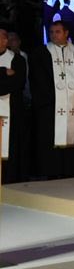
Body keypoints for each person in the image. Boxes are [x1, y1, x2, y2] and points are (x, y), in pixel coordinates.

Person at [31, 19, 74, 179]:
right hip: (50, 107)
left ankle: (73, 171)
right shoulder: (41, 53)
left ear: (66, 33)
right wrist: (55, 97)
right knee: (50, 138)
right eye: (51, 32)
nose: (53, 35)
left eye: (57, 32)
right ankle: (51, 171)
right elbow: (38, 79)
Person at [0, 21, 24, 183]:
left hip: (11, 109)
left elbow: (17, 84)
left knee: (10, 147)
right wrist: (3, 72)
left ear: (5, 40)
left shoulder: (17, 60)